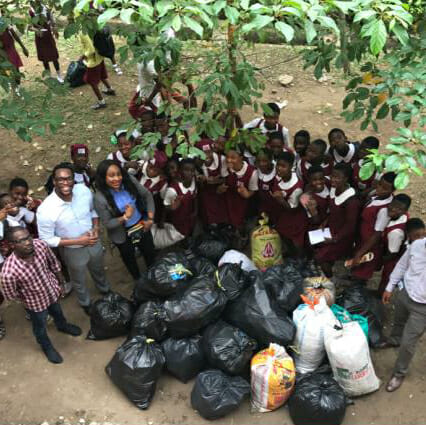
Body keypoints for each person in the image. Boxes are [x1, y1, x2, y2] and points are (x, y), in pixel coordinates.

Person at [37, 162, 110, 314]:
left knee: (98, 268)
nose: (65, 183)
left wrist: (96, 227)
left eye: (68, 178)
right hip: (72, 250)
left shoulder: (83, 191)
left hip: (93, 241)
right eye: (60, 179)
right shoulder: (46, 209)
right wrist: (79, 241)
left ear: (73, 179)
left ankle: (105, 290)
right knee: (78, 278)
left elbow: (92, 211)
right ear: (54, 181)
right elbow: (47, 239)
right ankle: (85, 303)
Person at [0, 226, 81, 363]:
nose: (28, 242)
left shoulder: (41, 245)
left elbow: (54, 264)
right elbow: (11, 295)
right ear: (12, 245)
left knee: (57, 311)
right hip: (35, 304)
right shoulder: (8, 272)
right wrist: (28, 300)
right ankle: (46, 346)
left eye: (28, 237)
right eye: (21, 241)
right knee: (40, 327)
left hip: (52, 290)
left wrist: (61, 284)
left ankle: (62, 326)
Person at [94, 159, 156, 282]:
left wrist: (150, 218)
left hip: (142, 224)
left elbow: (147, 195)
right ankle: (139, 281)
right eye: (111, 176)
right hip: (122, 234)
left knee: (150, 253)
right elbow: (108, 224)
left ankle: (155, 276)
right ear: (103, 177)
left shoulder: (129, 181)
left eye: (118, 174)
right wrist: (125, 217)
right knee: (130, 259)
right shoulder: (99, 198)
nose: (117, 179)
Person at [380, 236, 426, 392]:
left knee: (408, 342)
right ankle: (394, 340)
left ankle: (399, 373)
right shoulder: (417, 245)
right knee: (398, 322)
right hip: (405, 294)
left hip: (423, 308)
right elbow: (401, 265)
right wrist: (390, 286)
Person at [314, 163, 360, 277]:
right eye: (332, 176)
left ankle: (332, 281)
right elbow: (333, 212)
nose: (333, 179)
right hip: (331, 229)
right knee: (312, 241)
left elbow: (350, 226)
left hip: (342, 237)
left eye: (337, 177)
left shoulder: (351, 200)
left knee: (320, 258)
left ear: (346, 179)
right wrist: (324, 223)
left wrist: (334, 239)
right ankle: (330, 266)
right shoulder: (334, 189)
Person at [351, 172, 396, 282]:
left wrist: (361, 252)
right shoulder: (376, 196)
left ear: (392, 191)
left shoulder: (385, 209)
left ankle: (358, 290)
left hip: (370, 245)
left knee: (362, 269)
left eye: (385, 188)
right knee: (358, 265)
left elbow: (377, 234)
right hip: (363, 239)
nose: (379, 188)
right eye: (379, 184)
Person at [218, 147, 258, 237]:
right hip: (229, 200)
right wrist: (220, 189)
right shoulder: (226, 166)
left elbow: (252, 191)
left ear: (241, 157)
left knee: (241, 224)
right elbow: (224, 179)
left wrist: (247, 194)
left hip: (243, 203)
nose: (229, 160)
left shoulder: (252, 172)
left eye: (233, 157)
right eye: (227, 157)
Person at [272, 151, 307, 250]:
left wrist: (281, 200)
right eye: (278, 165)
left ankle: (299, 258)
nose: (279, 168)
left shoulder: (297, 187)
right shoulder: (278, 176)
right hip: (282, 213)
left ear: (291, 166)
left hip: (293, 217)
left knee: (295, 240)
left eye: (283, 166)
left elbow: (293, 208)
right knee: (283, 234)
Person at [378, 194, 411, 296]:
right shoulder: (404, 217)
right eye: (392, 205)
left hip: (395, 258)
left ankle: (380, 295)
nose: (393, 209)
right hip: (398, 251)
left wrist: (380, 260)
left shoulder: (396, 233)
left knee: (387, 277)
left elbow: (392, 253)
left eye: (398, 209)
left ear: (404, 211)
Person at [28, 0, 63, 83]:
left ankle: (59, 76)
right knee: (45, 58)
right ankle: (50, 77)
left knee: (54, 56)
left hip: (48, 35)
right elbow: (29, 27)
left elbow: (52, 21)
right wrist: (36, 30)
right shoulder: (31, 11)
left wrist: (55, 29)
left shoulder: (46, 8)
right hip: (40, 37)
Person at [79, 33, 115, 110]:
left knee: (92, 82)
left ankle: (102, 102)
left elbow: (91, 50)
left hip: (93, 62)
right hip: (99, 57)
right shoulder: (92, 27)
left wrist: (83, 56)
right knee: (101, 75)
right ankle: (110, 89)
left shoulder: (82, 32)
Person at [196, 139, 229, 227]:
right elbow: (196, 176)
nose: (207, 155)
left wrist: (215, 181)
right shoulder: (197, 162)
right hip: (205, 192)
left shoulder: (221, 159)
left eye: (209, 152)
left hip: (219, 191)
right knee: (208, 214)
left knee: (221, 213)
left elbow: (226, 178)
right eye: (204, 153)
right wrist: (201, 179)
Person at [163, 159, 198, 239]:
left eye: (192, 170)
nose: (190, 173)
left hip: (190, 216)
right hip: (178, 219)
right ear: (179, 171)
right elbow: (166, 206)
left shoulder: (194, 181)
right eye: (186, 170)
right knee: (179, 235)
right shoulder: (173, 189)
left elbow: (195, 197)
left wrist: (196, 211)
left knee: (189, 233)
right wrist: (172, 207)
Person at [139, 151, 168, 222]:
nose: (150, 170)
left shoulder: (162, 183)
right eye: (149, 166)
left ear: (160, 171)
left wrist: (161, 219)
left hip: (148, 210)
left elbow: (163, 201)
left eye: (154, 169)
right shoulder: (141, 167)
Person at [0, 20, 28, 85]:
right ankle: (14, 87)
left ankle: (17, 87)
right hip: (2, 52)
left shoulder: (3, 21)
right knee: (8, 70)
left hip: (11, 48)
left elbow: (14, 34)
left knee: (17, 69)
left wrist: (23, 48)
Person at [301, 165, 330, 230]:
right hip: (319, 225)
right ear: (309, 180)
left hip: (332, 219)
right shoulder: (306, 198)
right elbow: (315, 221)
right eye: (314, 180)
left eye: (321, 179)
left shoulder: (329, 183)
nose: (318, 182)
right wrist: (313, 211)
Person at [255, 149, 278, 223]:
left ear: (271, 159)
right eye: (258, 161)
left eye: (264, 161)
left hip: (276, 209)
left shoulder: (278, 172)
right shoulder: (256, 171)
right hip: (262, 208)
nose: (261, 164)